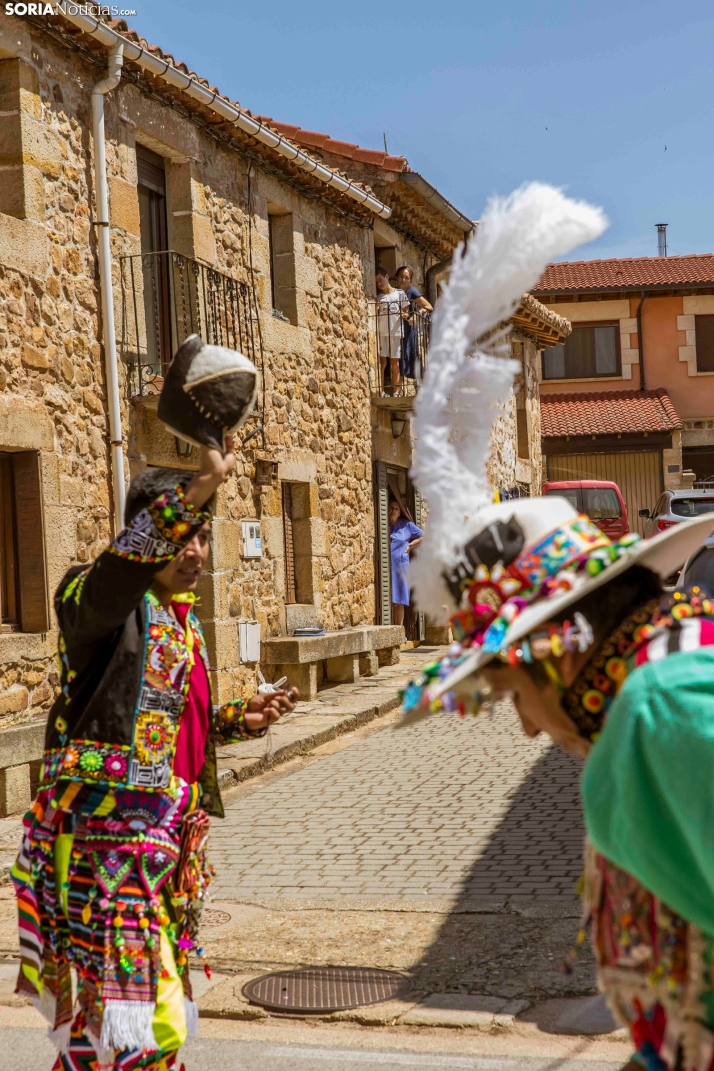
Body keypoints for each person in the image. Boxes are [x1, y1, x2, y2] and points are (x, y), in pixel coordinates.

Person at [13, 440, 297, 1071]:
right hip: (107, 844)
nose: (194, 552)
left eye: (202, 537)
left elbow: (162, 728)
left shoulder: (182, 622)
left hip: (167, 850)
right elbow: (116, 575)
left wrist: (235, 718)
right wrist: (192, 490)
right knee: (139, 1017)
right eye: (182, 534)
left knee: (114, 1021)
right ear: (144, 534)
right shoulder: (96, 604)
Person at [402, 495, 714, 1071]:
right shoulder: (679, 669)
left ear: (560, 654)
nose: (525, 727)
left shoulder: (659, 710)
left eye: (515, 692)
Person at [375, 267, 409, 395]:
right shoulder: (379, 297)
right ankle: (381, 390)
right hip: (383, 332)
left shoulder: (399, 294)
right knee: (382, 362)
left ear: (387, 277)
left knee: (395, 362)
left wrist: (401, 314)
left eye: (380, 280)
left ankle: (396, 390)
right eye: (377, 282)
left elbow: (406, 314)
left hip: (395, 331)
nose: (379, 284)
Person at [389, 499, 422, 627]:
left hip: (400, 567)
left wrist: (410, 546)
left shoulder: (406, 525)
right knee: (388, 600)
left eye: (396, 508)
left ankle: (399, 630)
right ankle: (390, 631)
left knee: (399, 599)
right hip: (386, 567)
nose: (393, 510)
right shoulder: (383, 524)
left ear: (399, 512)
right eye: (391, 507)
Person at [395, 266, 432, 380]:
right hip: (397, 329)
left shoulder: (412, 291)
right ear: (397, 277)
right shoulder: (395, 292)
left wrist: (416, 315)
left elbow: (428, 306)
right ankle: (398, 391)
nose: (403, 280)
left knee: (409, 356)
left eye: (406, 277)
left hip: (409, 330)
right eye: (401, 276)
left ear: (410, 280)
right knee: (398, 357)